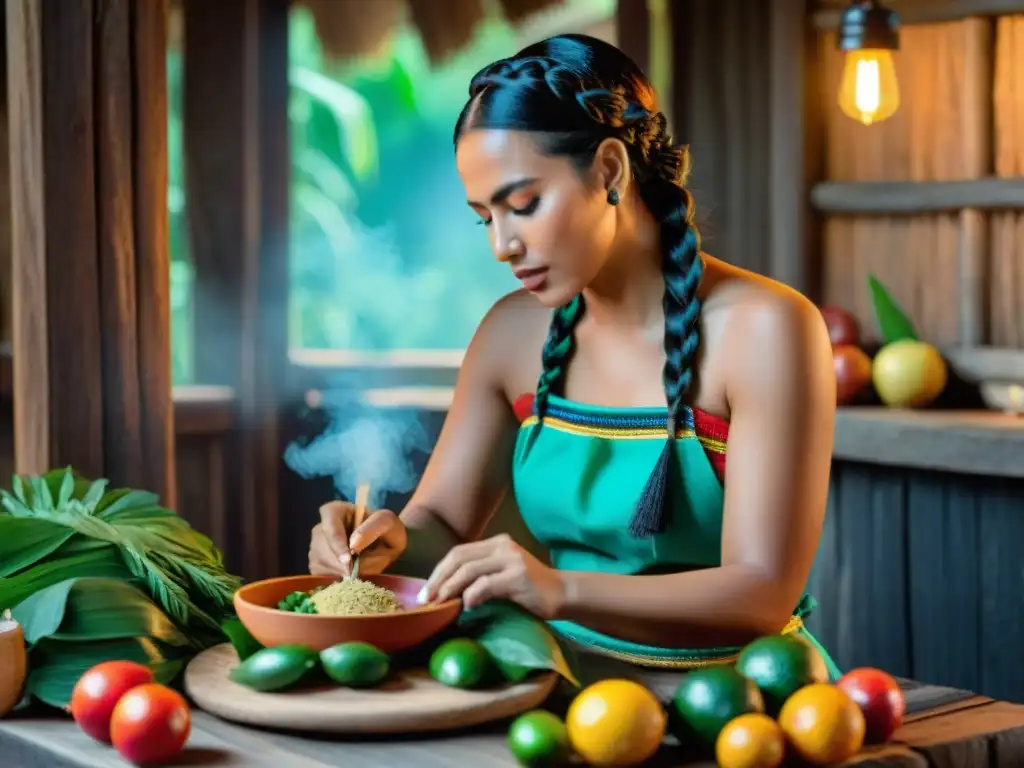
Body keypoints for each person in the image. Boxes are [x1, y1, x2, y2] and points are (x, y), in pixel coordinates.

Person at [309, 34, 840, 675]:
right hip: (557, 685)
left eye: (524, 204)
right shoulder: (510, 335)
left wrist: (559, 590)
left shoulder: (767, 329)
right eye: (485, 217)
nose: (502, 245)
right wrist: (385, 542)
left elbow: (761, 592)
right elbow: (442, 525)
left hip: (738, 703)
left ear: (610, 171)